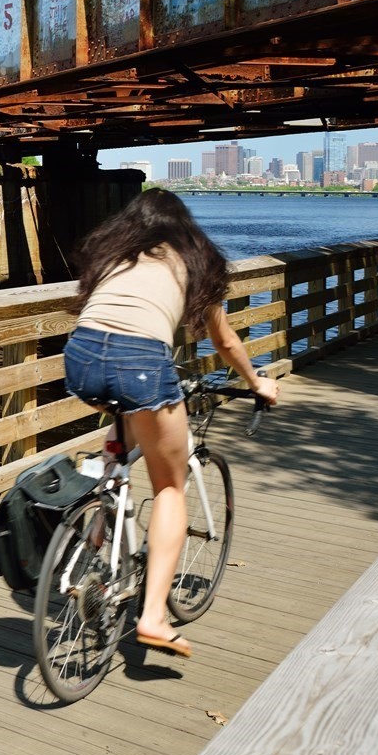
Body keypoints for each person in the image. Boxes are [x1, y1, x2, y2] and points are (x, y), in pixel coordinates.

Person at [62, 189, 281, 660]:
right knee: (169, 489)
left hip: (81, 356)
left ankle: (96, 525)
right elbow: (224, 341)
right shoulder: (193, 259)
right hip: (140, 362)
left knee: (121, 428)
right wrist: (257, 382)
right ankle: (154, 617)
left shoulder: (113, 255)